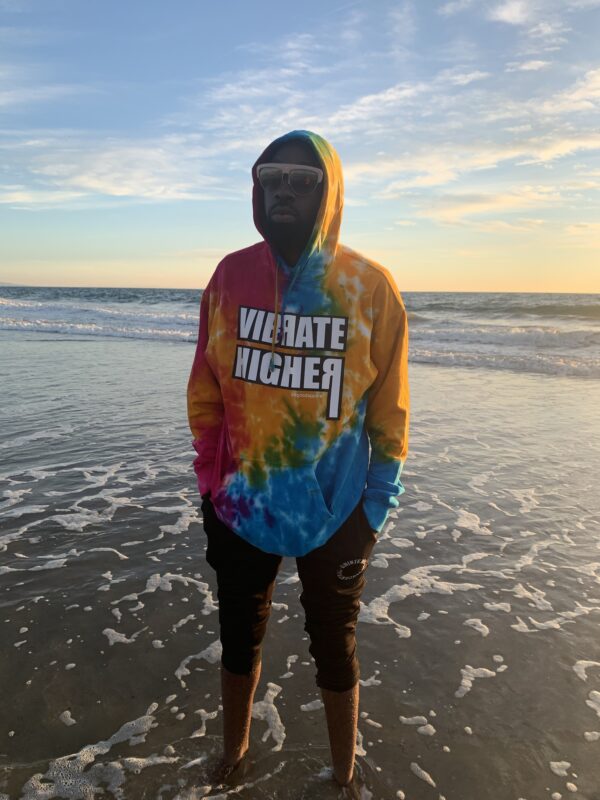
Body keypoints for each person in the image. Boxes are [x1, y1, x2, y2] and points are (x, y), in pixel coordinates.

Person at [187, 130, 409, 789]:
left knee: (334, 650)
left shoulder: (369, 287)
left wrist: (374, 508)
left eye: (302, 179)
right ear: (256, 188)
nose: (283, 187)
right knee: (237, 639)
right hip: (240, 504)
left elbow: (391, 411)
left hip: (336, 512)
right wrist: (210, 481)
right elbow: (205, 386)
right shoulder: (230, 276)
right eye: (270, 175)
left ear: (329, 191)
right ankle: (235, 754)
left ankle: (342, 774)